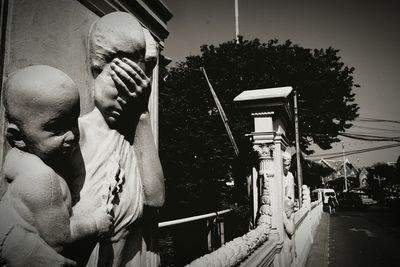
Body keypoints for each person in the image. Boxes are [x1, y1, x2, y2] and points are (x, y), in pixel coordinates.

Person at [70, 12, 164, 266]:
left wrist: (142, 116)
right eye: (121, 83)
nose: (128, 96)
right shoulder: (74, 136)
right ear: (96, 69)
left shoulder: (130, 138)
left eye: (137, 90)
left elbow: (155, 199)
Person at [0, 65, 113, 266]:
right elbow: (60, 238)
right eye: (54, 128)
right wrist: (96, 223)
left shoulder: (22, 160)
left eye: (72, 122)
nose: (70, 136)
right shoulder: (41, 178)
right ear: (17, 137)